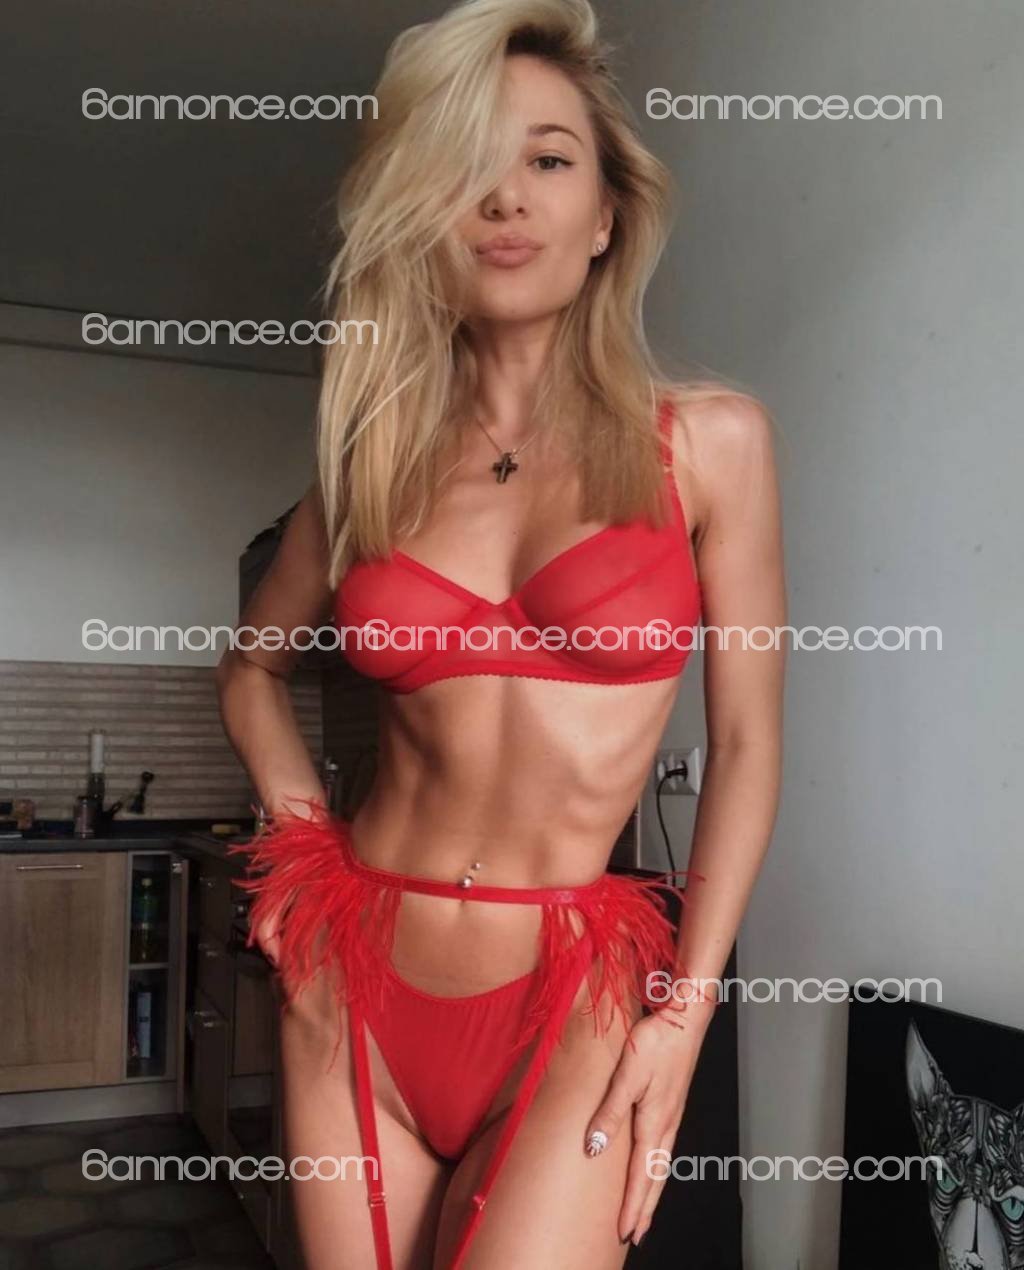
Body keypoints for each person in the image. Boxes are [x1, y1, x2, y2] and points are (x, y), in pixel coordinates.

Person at [216, 1, 785, 1266]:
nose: (506, 197)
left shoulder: (711, 444)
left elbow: (747, 746)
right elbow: (251, 668)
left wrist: (685, 1014)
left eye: (547, 158)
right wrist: (299, 850)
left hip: (572, 992)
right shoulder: (367, 468)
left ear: (605, 216)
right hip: (356, 978)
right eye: (467, 164)